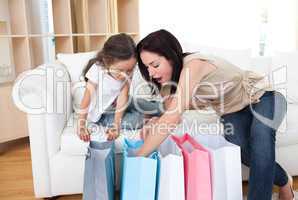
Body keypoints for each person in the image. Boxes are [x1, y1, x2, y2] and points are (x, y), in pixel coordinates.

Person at [135, 29, 294, 200]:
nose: (150, 73)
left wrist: (138, 158)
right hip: (233, 110)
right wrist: (155, 121)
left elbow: (171, 117)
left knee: (261, 136)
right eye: (146, 67)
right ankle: (285, 181)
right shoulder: (167, 85)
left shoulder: (193, 65)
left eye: (155, 65)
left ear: (171, 56)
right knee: (241, 148)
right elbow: (172, 115)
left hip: (264, 97)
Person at [78, 33, 161, 142]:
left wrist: (117, 124)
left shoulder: (126, 72)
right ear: (107, 61)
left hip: (120, 103)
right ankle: (151, 118)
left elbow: (123, 98)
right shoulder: (97, 70)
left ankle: (167, 109)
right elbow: (86, 100)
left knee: (142, 103)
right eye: (121, 71)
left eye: (130, 70)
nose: (126, 75)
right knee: (134, 120)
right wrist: (81, 125)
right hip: (103, 113)